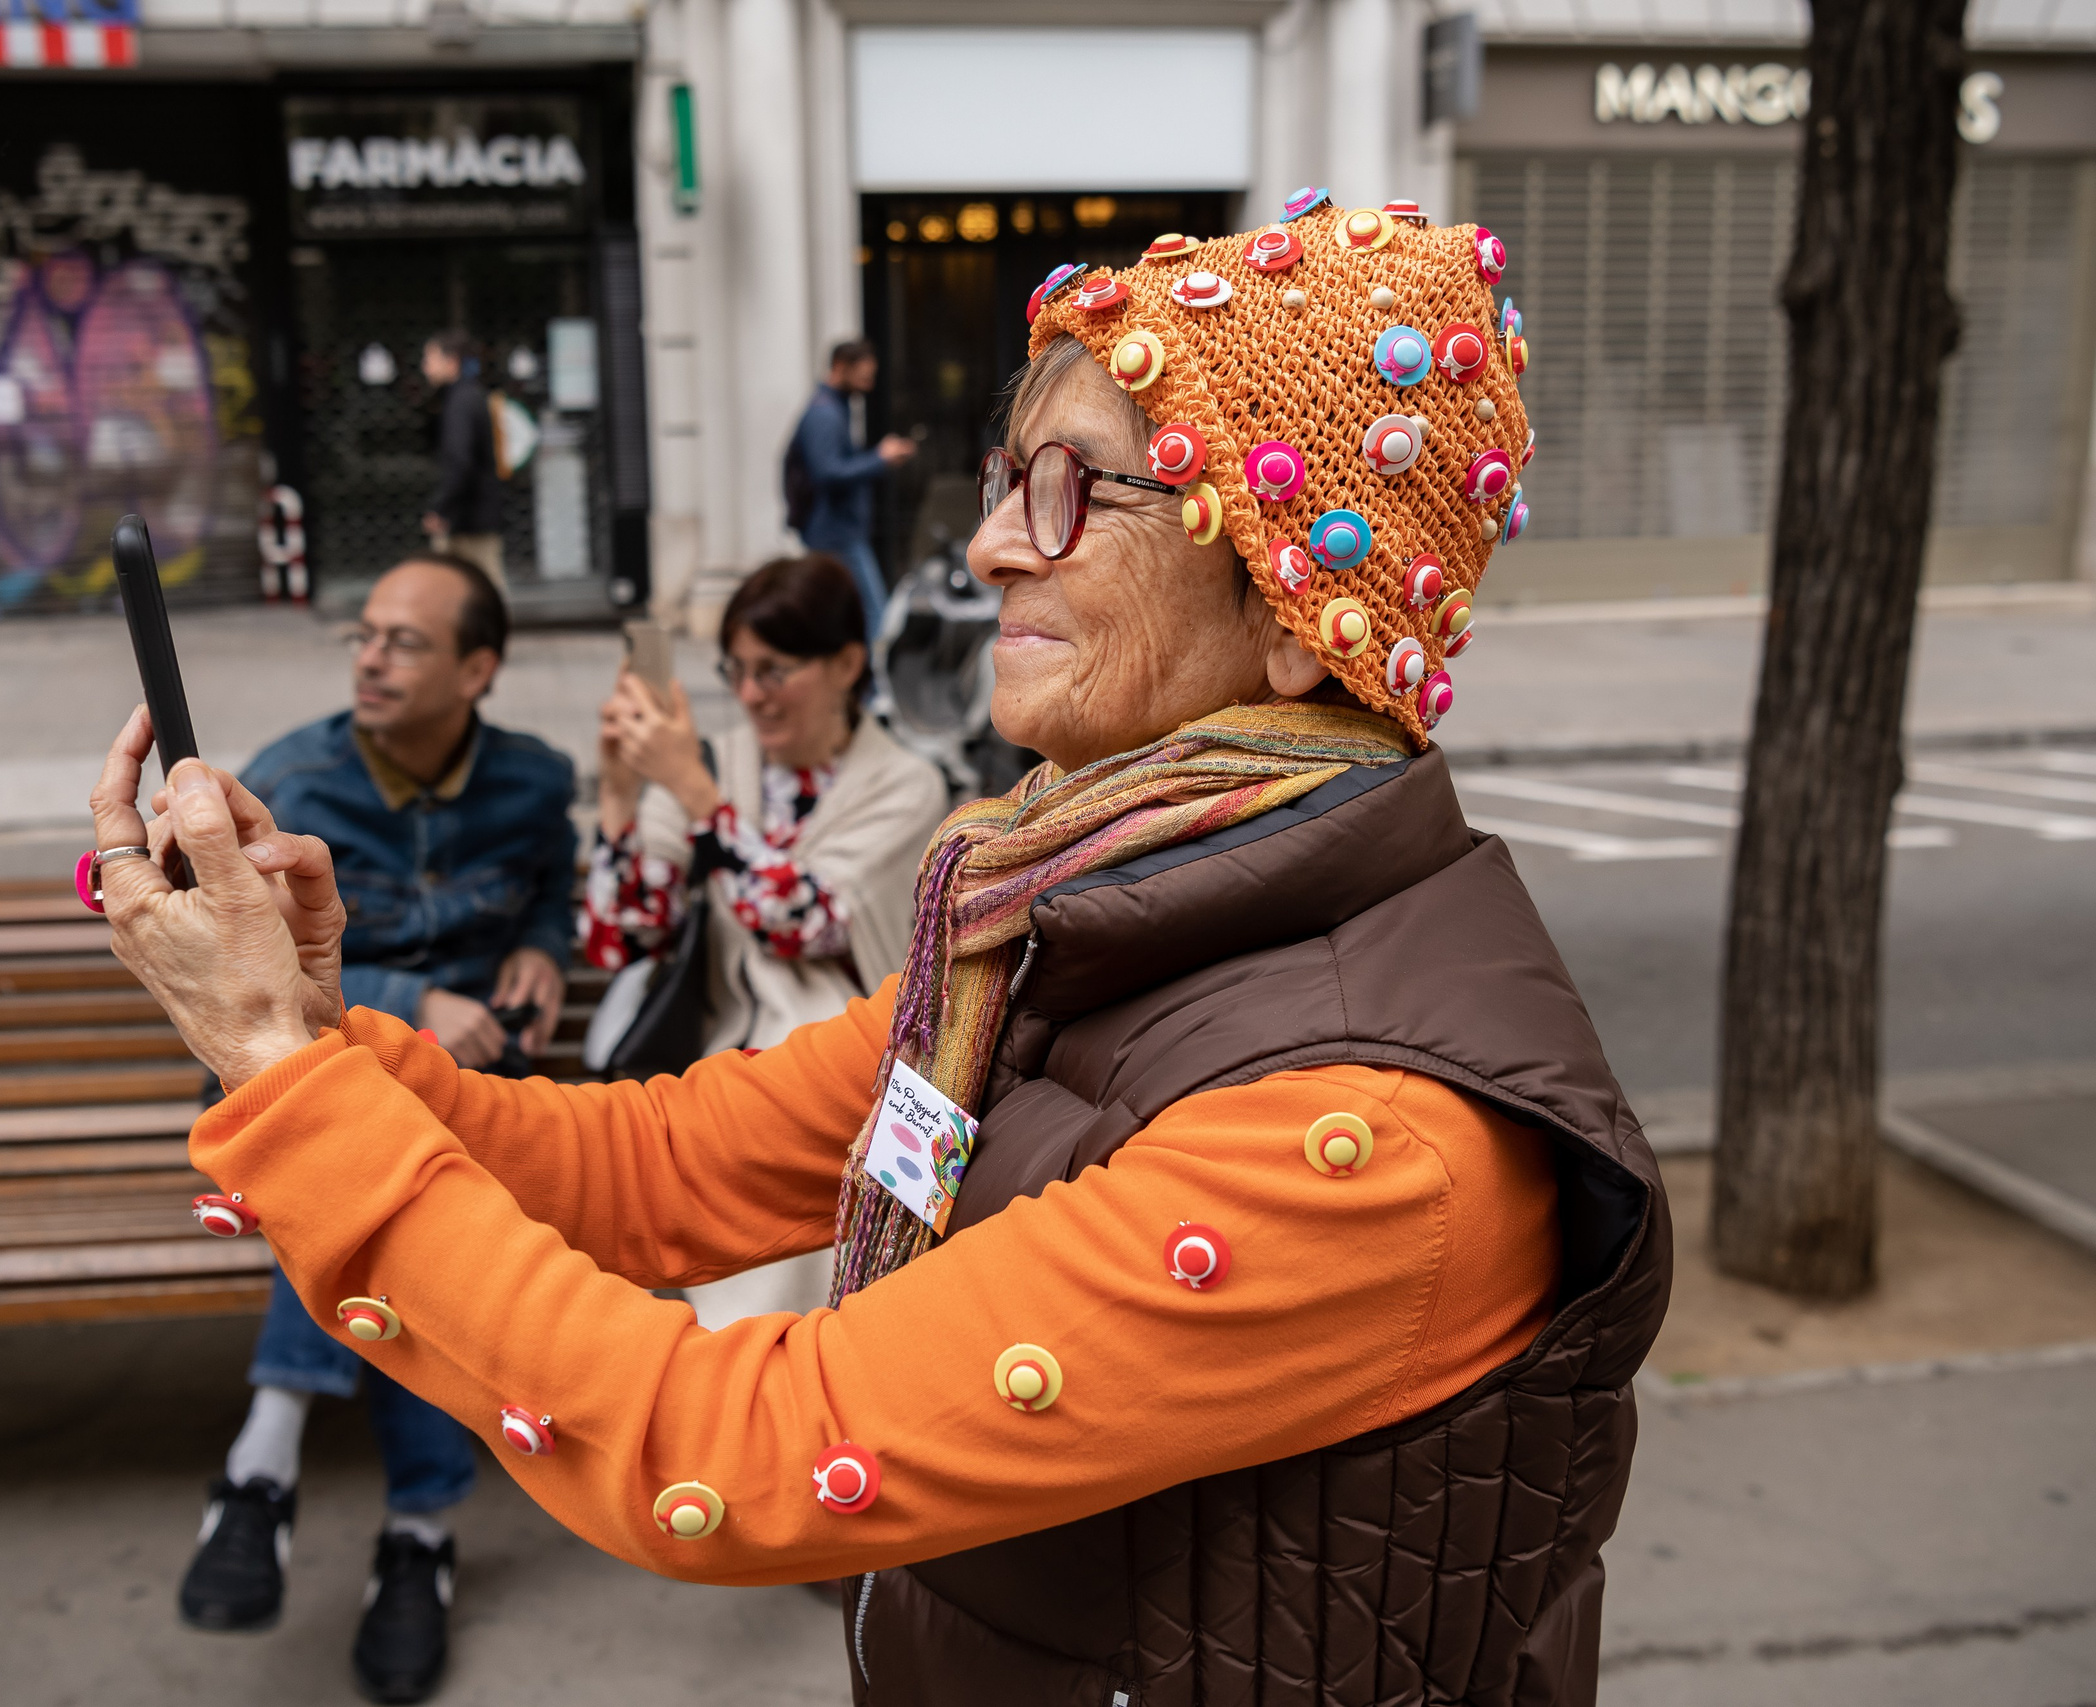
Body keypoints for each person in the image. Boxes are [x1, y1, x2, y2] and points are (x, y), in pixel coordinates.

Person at [94, 211, 1668, 1707]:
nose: (988, 545)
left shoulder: (1364, 1143)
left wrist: (287, 1083)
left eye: (1074, 491)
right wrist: (302, 1025)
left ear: (1296, 625)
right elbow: (660, 1164)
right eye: (1005, 477)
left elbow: (740, 1451)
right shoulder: (1059, 917)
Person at [170, 551, 575, 1705]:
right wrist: (409, 1000)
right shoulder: (288, 788)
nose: (371, 657)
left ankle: (265, 1464)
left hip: (445, 1101)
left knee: (403, 1192)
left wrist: (543, 942)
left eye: (405, 641)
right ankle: (417, 1539)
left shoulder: (533, 784)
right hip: (295, 1082)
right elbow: (230, 990)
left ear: (478, 668)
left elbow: (550, 879)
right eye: (365, 635)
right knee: (379, 1182)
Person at [580, 552, 946, 1325]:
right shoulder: (710, 763)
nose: (750, 695)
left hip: (883, 1070)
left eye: (774, 671)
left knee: (890, 1297)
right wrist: (617, 793)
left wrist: (697, 797)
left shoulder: (908, 782)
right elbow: (620, 938)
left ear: (847, 663)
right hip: (745, 1071)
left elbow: (804, 922)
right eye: (736, 670)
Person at [788, 338, 915, 649]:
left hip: (838, 531)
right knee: (873, 614)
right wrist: (880, 458)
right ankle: (870, 689)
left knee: (840, 615)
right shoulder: (824, 414)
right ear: (840, 368)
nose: (868, 385)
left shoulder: (834, 409)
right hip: (835, 534)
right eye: (863, 376)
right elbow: (827, 472)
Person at [419, 331, 507, 591]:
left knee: (481, 591)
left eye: (430, 358)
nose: (425, 367)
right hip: (471, 516)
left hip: (470, 520)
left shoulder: (461, 402)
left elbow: (460, 461)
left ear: (451, 361)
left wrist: (442, 508)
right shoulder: (466, 397)